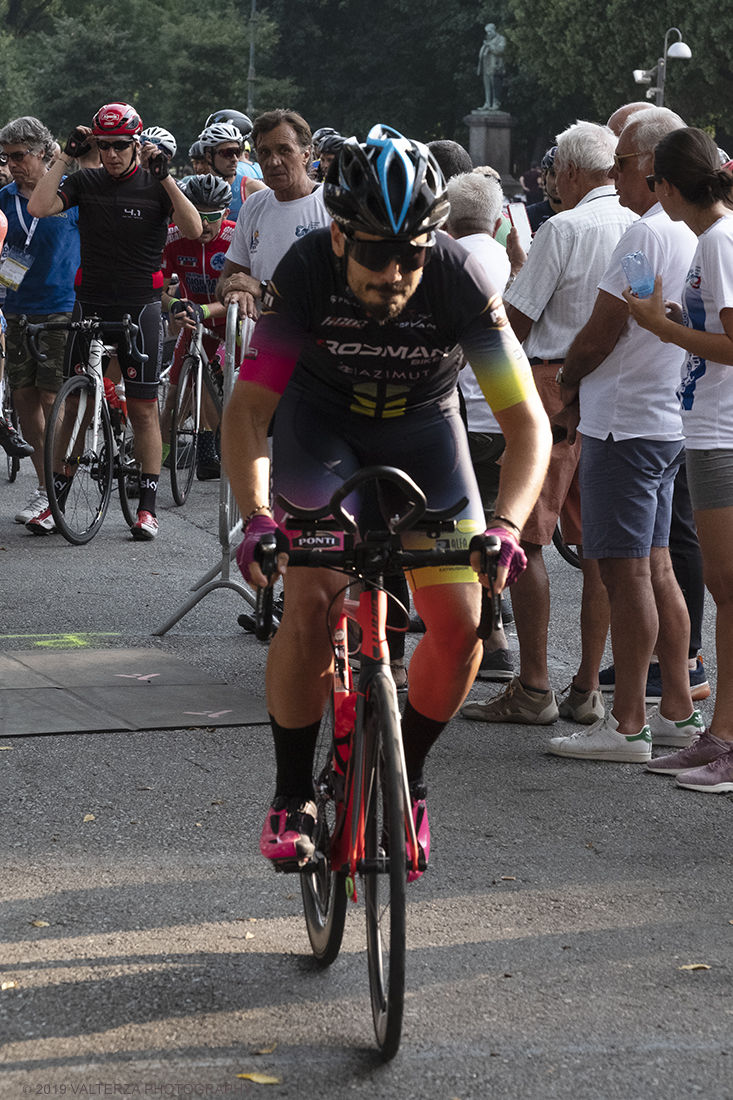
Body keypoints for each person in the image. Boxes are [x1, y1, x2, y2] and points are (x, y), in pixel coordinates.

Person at [220, 124, 551, 873]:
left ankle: (411, 774)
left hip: (422, 434)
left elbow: (525, 421)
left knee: (464, 623)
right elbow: (246, 413)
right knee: (308, 599)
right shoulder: (306, 270)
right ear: (339, 238)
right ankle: (291, 792)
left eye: (412, 252)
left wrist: (504, 526)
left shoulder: (459, 277)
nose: (396, 272)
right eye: (376, 252)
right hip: (320, 430)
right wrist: (257, 519)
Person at [462, 121, 636, 727]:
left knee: (526, 536)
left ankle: (534, 684)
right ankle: (587, 684)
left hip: (555, 385)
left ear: (572, 172)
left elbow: (516, 317)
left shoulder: (565, 227)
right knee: (600, 547)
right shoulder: (640, 224)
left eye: (556, 164)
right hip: (620, 391)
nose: (550, 175)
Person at [546, 108, 701, 764]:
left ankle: (630, 721)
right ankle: (673, 711)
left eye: (620, 164)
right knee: (656, 565)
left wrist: (568, 388)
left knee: (626, 570)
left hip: (624, 421)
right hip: (663, 418)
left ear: (649, 168)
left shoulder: (645, 234)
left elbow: (605, 328)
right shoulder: (693, 229)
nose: (612, 176)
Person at [26, 102, 201, 539]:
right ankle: (57, 500)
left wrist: (165, 176)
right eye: (104, 146)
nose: (112, 154)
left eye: (121, 146)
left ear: (136, 145)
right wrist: (66, 156)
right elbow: (39, 207)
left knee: (143, 409)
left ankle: (146, 506)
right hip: (91, 303)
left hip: (140, 306)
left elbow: (195, 229)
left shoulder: (156, 185)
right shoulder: (86, 180)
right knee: (75, 406)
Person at [623, 127, 733, 793]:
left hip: (721, 432)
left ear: (665, 185)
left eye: (650, 182)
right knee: (725, 592)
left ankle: (725, 738)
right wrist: (673, 319)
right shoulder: (709, 239)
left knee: (729, 592)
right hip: (706, 429)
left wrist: (662, 327)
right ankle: (717, 733)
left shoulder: (717, 240)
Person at [443, 170, 514, 681]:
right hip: (502, 406)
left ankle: (490, 636)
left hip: (463, 409)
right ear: (495, 220)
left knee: (458, 527)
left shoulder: (450, 261)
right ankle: (494, 626)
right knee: (486, 523)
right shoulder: (501, 257)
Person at [0, 115, 80, 525]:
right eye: (7, 157)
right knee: (24, 396)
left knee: (52, 396)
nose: (13, 163)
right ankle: (43, 482)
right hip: (15, 307)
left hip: (60, 306)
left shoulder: (69, 194)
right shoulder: (3, 198)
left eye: (20, 156)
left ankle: (58, 484)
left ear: (44, 153)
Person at [217, 109, 331, 320]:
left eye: (284, 150)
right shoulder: (253, 205)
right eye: (265, 152)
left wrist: (262, 288)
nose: (273, 161)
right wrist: (235, 289)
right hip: (263, 343)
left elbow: (336, 292)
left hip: (314, 343)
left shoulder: (332, 205)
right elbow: (229, 278)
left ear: (306, 155)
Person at [160, 174, 235, 480]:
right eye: (196, 215)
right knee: (175, 394)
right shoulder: (173, 237)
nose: (204, 225)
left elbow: (237, 295)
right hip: (193, 320)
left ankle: (213, 443)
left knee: (221, 387)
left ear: (226, 214)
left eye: (212, 218)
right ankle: (152, 465)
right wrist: (174, 306)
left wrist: (203, 309)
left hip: (231, 322)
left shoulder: (236, 237)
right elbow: (159, 291)